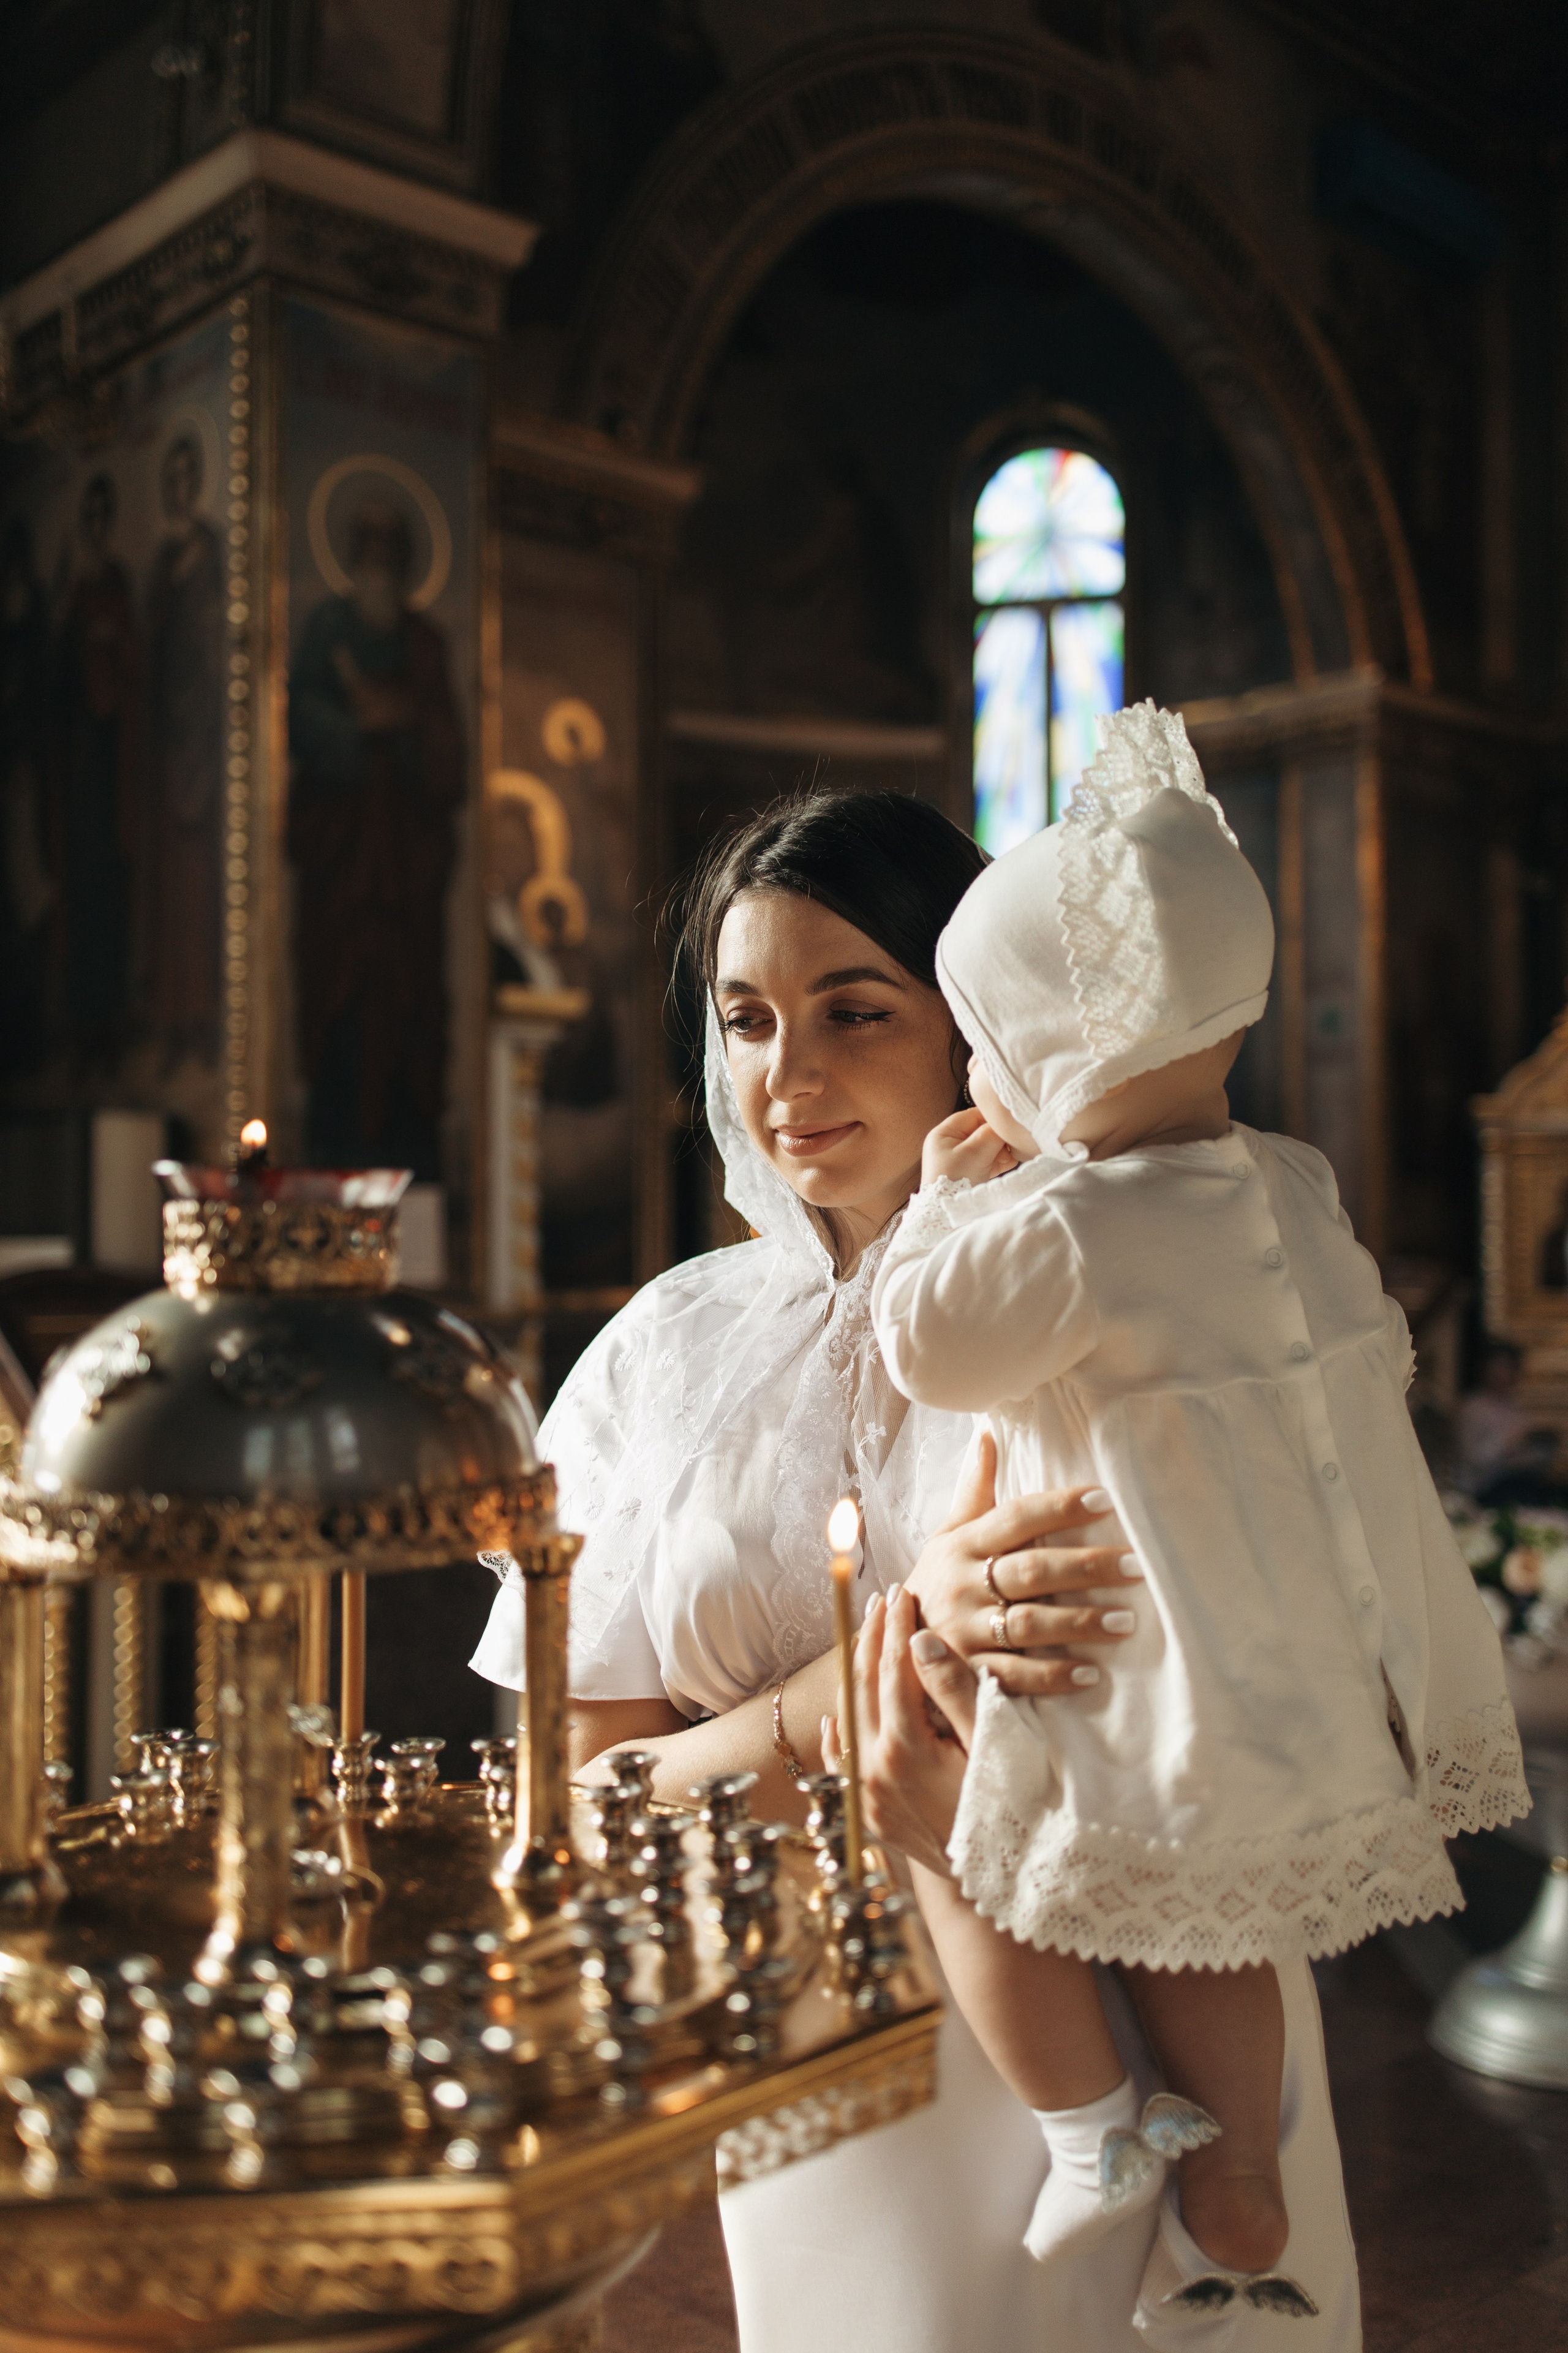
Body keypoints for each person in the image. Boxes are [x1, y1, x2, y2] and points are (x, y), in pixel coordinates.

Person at [471, 785, 1364, 2352]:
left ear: (973, 1025)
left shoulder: (1123, 1284)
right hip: (830, 2034)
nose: (786, 1075)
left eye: (851, 1009)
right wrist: (859, 1676)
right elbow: (576, 1809)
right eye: (745, 1019)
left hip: (1166, 1967)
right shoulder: (658, 1358)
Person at [869, 706, 1527, 2336]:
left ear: (1048, 1051)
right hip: (1279, 1669)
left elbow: (930, 1345)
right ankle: (1238, 2183)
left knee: (988, 1872)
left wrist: (961, 1194)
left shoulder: (1073, 1228)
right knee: (1212, 1947)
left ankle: (1094, 2133)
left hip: (1119, 1658)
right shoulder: (1290, 1179)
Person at [287, 498, 462, 1177]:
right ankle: (335, 1143)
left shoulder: (425, 644)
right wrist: (357, 729)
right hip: (343, 859)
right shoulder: (326, 630)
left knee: (409, 1002)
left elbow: (450, 755)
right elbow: (300, 718)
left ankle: (406, 1150)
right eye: (368, 557)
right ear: (352, 562)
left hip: (407, 866)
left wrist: (409, 720)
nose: (378, 571)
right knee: (340, 992)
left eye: (391, 559)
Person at [144, 430, 225, 1062]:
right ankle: (169, 1017)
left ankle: (200, 1020)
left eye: (188, 475)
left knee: (200, 888)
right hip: (165, 739)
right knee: (168, 891)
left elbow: (219, 634)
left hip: (204, 735)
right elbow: (149, 648)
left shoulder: (211, 552)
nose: (180, 487)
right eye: (171, 477)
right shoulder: (160, 562)